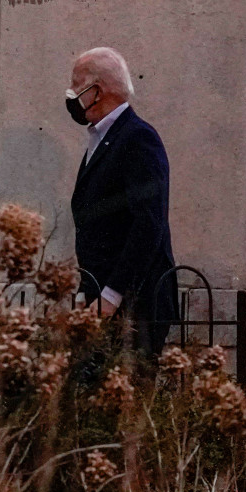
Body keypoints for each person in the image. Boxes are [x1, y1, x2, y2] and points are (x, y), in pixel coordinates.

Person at [66, 47, 179, 355]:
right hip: (102, 298)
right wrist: (85, 293)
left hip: (133, 304)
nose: (71, 94)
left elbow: (148, 223)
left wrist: (112, 295)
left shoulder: (138, 138)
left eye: (76, 85)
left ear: (97, 90)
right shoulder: (104, 138)